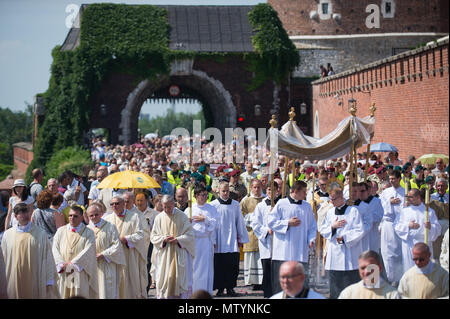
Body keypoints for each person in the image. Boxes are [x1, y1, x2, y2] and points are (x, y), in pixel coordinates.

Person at [268, 181, 317, 296]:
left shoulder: (307, 206)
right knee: (281, 285)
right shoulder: (281, 203)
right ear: (295, 191)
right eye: (304, 192)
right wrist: (287, 223)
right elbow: (271, 222)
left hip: (300, 250)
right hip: (283, 251)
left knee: (300, 283)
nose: (305, 194)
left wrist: (311, 239)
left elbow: (312, 226)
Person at [1, 203, 59, 298]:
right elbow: (3, 259)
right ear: (15, 216)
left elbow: (48, 257)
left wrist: (49, 280)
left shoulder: (40, 234)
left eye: (27, 212)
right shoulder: (7, 235)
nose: (26, 215)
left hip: (34, 278)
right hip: (13, 278)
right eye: (22, 213)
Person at [319, 188, 364, 299]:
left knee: (350, 288)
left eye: (334, 199)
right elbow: (323, 230)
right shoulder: (330, 212)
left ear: (341, 198)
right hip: (334, 254)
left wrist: (344, 238)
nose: (332, 202)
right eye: (331, 199)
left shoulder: (353, 211)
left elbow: (359, 230)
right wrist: (332, 227)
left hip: (350, 255)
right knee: (335, 288)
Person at [150, 195, 195, 299]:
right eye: (164, 207)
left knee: (180, 280)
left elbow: (190, 235)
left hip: (179, 253)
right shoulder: (159, 217)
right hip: (165, 254)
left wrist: (178, 240)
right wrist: (163, 239)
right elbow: (153, 236)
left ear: (173, 204)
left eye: (169, 207)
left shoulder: (182, 216)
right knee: (164, 279)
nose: (166, 210)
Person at [210, 181, 249, 297]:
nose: (226, 193)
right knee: (219, 265)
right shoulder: (213, 205)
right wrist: (212, 240)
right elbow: (211, 224)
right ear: (218, 190)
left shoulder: (235, 205)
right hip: (219, 239)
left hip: (231, 240)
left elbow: (240, 222)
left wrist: (241, 238)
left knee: (232, 265)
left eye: (227, 191)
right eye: (223, 191)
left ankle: (231, 287)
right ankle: (220, 288)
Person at [104, 195, 147, 299]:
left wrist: (126, 239)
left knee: (129, 282)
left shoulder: (134, 217)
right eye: (112, 204)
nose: (114, 206)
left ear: (124, 204)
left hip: (129, 256)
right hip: (113, 257)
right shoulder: (107, 219)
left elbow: (141, 235)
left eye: (117, 203)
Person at [52, 205, 98, 299]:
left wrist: (72, 264)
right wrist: (61, 264)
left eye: (75, 216)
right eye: (70, 215)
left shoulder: (88, 233)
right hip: (63, 271)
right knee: (63, 294)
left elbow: (88, 250)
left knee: (77, 295)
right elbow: (55, 248)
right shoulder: (61, 231)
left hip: (78, 270)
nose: (72, 218)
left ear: (81, 217)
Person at [393, 188, 441, 275]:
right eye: (407, 197)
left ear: (418, 197)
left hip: (424, 243)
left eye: (411, 197)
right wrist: (408, 226)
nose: (408, 199)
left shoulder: (429, 212)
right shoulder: (404, 211)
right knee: (410, 270)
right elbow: (396, 226)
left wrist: (431, 227)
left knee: (425, 270)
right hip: (410, 244)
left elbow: (438, 229)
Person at [86, 204, 126, 299]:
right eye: (91, 215)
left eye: (96, 214)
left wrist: (103, 255)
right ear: (88, 216)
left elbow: (117, 246)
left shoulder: (110, 227)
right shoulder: (86, 229)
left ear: (101, 214)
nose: (94, 217)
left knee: (106, 292)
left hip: (107, 264)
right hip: (92, 266)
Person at [185, 185, 218, 295]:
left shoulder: (211, 208)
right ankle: (194, 293)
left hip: (206, 242)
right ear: (196, 196)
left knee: (206, 270)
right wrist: (188, 223)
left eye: (206, 195)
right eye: (202, 195)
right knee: (194, 269)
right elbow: (183, 227)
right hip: (194, 242)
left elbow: (216, 224)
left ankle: (205, 293)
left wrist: (205, 219)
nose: (205, 197)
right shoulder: (189, 209)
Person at [251, 181, 281, 298]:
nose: (271, 192)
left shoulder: (281, 204)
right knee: (267, 271)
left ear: (277, 190)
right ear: (266, 190)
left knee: (278, 271)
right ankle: (268, 295)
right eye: (268, 190)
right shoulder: (261, 206)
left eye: (273, 190)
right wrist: (266, 230)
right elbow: (255, 223)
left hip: (279, 242)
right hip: (267, 242)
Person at [379, 169, 405, 285]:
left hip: (400, 224)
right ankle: (390, 277)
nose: (392, 181)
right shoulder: (385, 192)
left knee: (399, 251)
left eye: (394, 179)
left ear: (399, 179)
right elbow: (380, 207)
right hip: (388, 224)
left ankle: (400, 276)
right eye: (390, 179)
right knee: (388, 251)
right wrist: (389, 202)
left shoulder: (404, 192)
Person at [240, 179, 265, 289]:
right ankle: (253, 281)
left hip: (263, 234)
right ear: (250, 188)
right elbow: (241, 217)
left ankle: (262, 281)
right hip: (250, 232)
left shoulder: (265, 200)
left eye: (258, 187)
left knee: (261, 257)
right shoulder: (245, 201)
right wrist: (254, 219)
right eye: (254, 187)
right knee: (252, 258)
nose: (256, 189)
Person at [135, 192, 158, 293]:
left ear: (147, 201)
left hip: (149, 244)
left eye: (141, 200)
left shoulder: (153, 213)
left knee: (147, 266)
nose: (139, 203)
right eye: (137, 200)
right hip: (136, 244)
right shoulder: (133, 213)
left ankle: (146, 290)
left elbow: (157, 228)